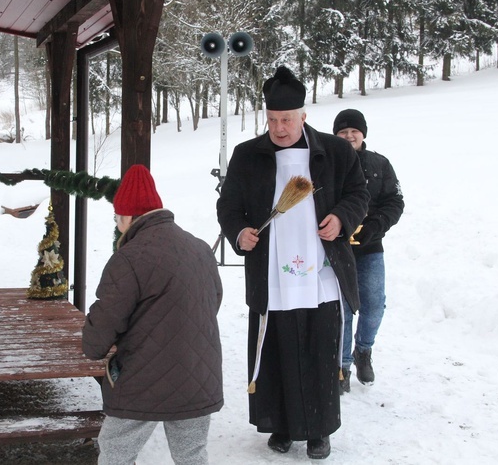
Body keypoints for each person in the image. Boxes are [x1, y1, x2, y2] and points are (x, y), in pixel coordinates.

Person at [216, 67, 369, 460]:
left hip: (321, 272)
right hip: (272, 272)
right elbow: (228, 205)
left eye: (286, 119)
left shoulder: (334, 153)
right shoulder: (248, 155)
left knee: (319, 349)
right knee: (277, 348)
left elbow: (358, 194)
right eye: (272, 120)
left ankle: (319, 430)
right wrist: (239, 232)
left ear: (304, 115)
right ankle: (280, 425)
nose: (279, 128)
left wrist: (340, 218)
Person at [82, 164, 224, 465]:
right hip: (197, 377)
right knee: (192, 455)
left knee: (116, 451)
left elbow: (106, 319)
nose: (118, 225)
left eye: (117, 218)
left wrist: (92, 347)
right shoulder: (199, 249)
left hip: (142, 380)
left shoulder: (128, 258)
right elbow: (214, 300)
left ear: (128, 217)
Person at [333, 109, 404, 393]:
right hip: (337, 248)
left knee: (374, 304)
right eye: (343, 132)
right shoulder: (328, 162)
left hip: (371, 248)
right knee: (343, 309)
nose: (349, 136)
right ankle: (343, 366)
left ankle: (364, 350)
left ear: (363, 133)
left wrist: (374, 227)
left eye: (354, 131)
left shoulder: (380, 164)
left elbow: (394, 202)